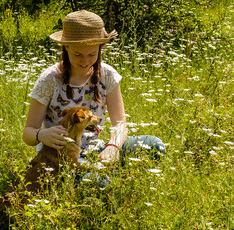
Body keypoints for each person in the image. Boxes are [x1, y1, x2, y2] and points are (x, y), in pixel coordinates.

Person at [22, 10, 165, 175]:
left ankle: (112, 169)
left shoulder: (107, 75)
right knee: (98, 181)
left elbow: (120, 122)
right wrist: (41, 134)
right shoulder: (50, 79)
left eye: (92, 54)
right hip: (60, 157)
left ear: (100, 49)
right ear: (66, 47)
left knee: (155, 145)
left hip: (97, 149)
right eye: (78, 54)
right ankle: (101, 175)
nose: (85, 61)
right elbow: (28, 133)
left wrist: (113, 146)